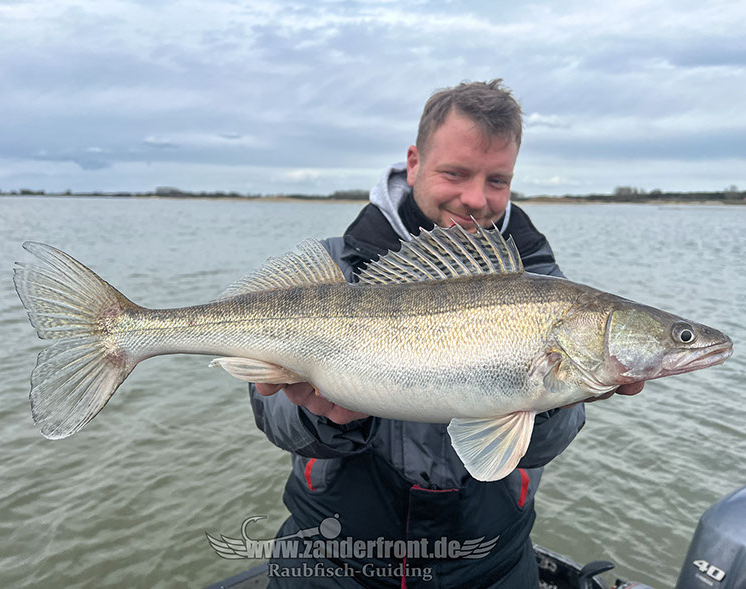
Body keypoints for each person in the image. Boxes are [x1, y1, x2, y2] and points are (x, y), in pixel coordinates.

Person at [249, 80, 643, 588]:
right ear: (414, 163)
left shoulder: (546, 285)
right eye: (455, 173)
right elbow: (270, 412)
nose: (475, 198)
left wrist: (548, 399)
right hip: (332, 559)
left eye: (498, 180)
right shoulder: (338, 268)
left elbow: (544, 445)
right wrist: (322, 418)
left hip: (489, 563)